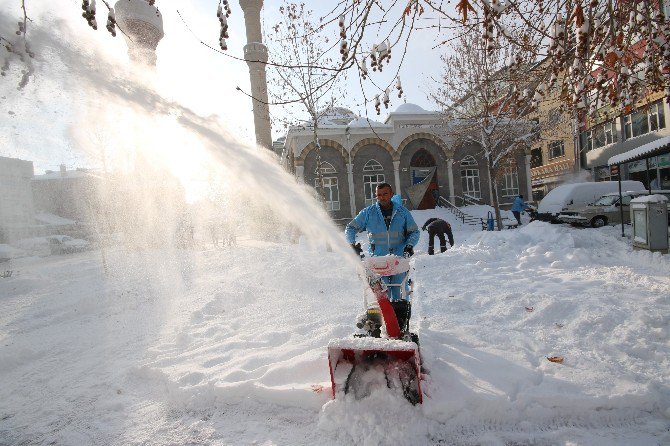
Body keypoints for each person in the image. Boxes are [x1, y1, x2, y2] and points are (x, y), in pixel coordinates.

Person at [345, 183, 420, 331]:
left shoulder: (402, 213)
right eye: (379, 195)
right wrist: (352, 244)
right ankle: (378, 328)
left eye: (385, 194)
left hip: (398, 261)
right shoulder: (369, 213)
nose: (381, 197)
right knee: (380, 297)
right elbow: (351, 228)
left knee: (398, 293)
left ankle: (400, 327)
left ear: (391, 194)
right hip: (378, 262)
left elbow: (414, 232)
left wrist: (409, 246)